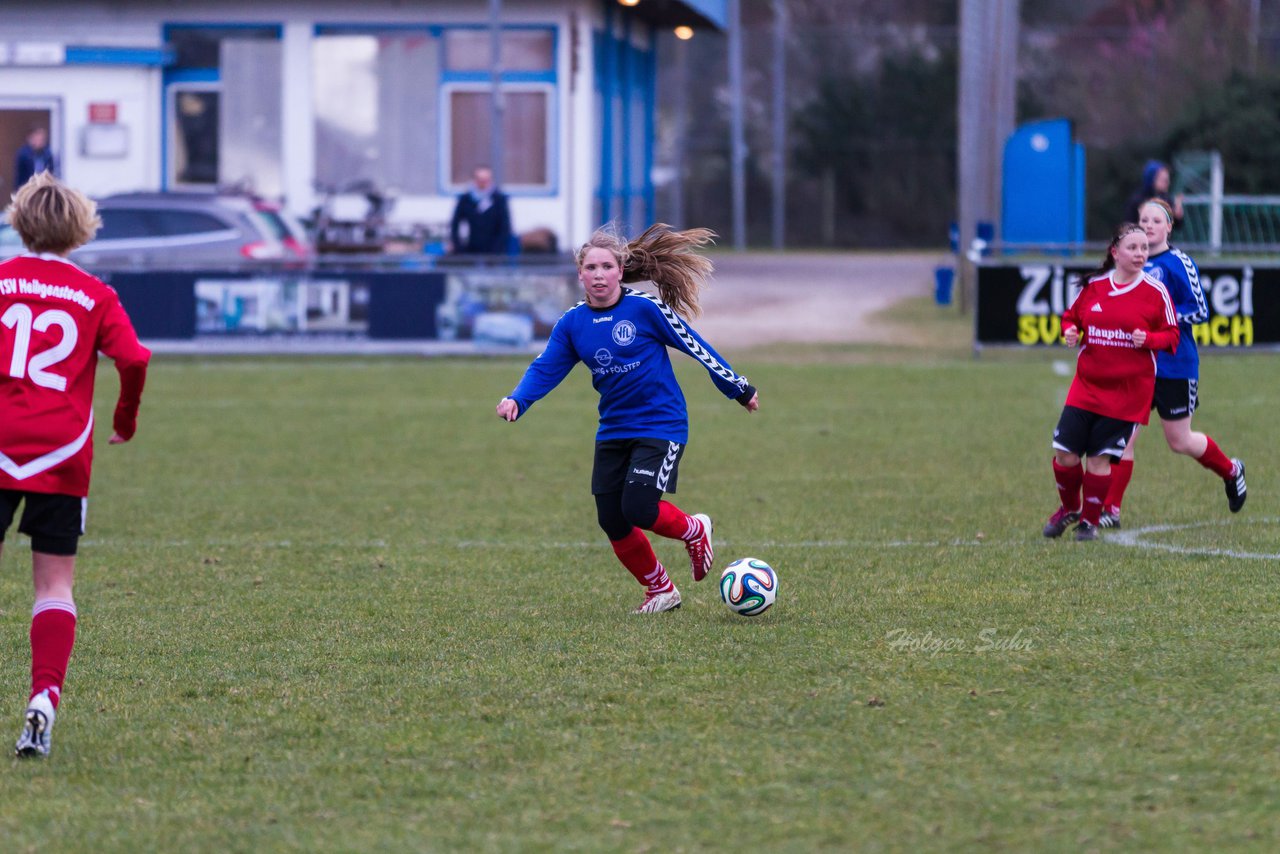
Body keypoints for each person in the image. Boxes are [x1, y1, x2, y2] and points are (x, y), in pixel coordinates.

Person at [495, 223, 759, 613]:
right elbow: (545, 367)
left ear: (620, 270)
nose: (598, 275)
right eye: (590, 268)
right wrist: (518, 399)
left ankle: (694, 528)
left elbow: (695, 346)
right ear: (580, 274)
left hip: (661, 424)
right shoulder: (572, 323)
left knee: (637, 507)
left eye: (606, 267)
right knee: (612, 520)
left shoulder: (645, 309)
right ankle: (661, 590)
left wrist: (739, 388)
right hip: (614, 429)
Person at [1, 172, 151, 757]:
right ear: (81, 229)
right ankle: (42, 700)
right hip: (60, 453)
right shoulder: (95, 294)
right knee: (54, 583)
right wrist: (125, 419)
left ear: (19, 220)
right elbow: (134, 358)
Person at [1098, 199, 1246, 528]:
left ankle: (1232, 470)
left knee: (1179, 441)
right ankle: (1111, 510)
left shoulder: (1179, 263)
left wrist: (1163, 319)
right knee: (1123, 437)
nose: (1149, 225)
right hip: (1139, 366)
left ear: (1168, 227)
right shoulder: (1130, 264)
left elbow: (1201, 311)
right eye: (1143, 220)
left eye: (1155, 220)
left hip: (1176, 365)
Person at [1043, 223, 1179, 542]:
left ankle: (1090, 522)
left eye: (1144, 248)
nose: (1140, 254)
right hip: (1086, 387)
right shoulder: (1095, 287)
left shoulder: (1155, 292)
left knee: (1099, 459)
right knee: (1065, 452)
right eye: (1133, 248)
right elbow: (1071, 318)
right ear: (1115, 253)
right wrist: (1070, 332)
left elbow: (1172, 335)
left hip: (1127, 395)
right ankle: (1070, 508)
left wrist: (1149, 339)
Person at [450, 166, 513, 255]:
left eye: (486, 180)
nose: (483, 183)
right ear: (474, 180)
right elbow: (455, 224)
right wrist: (459, 247)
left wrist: (498, 250)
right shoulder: (466, 199)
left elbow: (505, 226)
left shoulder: (499, 199)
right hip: (470, 249)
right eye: (480, 180)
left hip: (494, 252)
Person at [1124, 159, 1183, 227]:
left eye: (1167, 180)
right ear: (1151, 179)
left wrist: (1177, 216)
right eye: (1163, 180)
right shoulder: (1136, 200)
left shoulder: (1166, 199)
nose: (1167, 183)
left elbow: (1176, 225)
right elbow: (1129, 225)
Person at [13, 127, 57, 192]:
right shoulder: (23, 154)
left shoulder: (47, 154)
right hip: (28, 188)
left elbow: (51, 171)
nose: (40, 142)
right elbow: (20, 177)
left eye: (42, 139)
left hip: (44, 187)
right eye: (37, 139)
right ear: (30, 139)